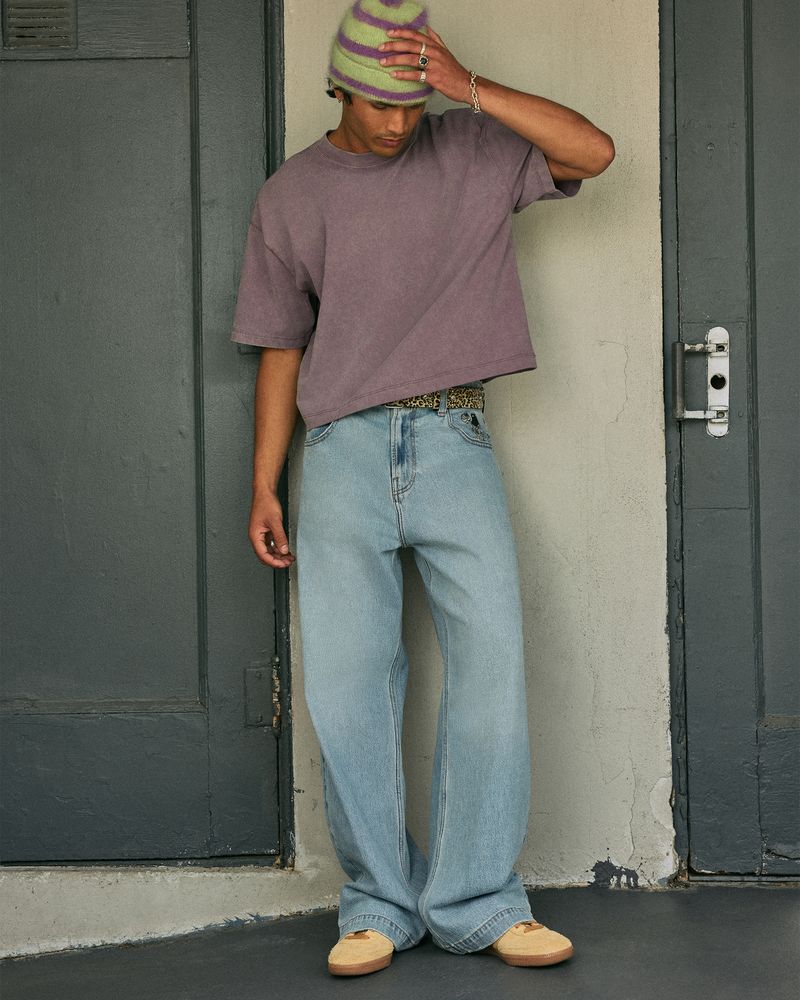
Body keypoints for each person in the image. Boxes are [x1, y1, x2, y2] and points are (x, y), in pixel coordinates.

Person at [230, 0, 614, 978]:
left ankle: (479, 902)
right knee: (348, 687)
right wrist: (264, 481)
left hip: (453, 439)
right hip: (340, 453)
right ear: (338, 88)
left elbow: (595, 151)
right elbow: (280, 345)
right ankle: (376, 905)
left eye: (412, 103)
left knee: (491, 670)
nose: (399, 123)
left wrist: (466, 86)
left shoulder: (472, 149)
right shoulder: (290, 194)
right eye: (379, 104)